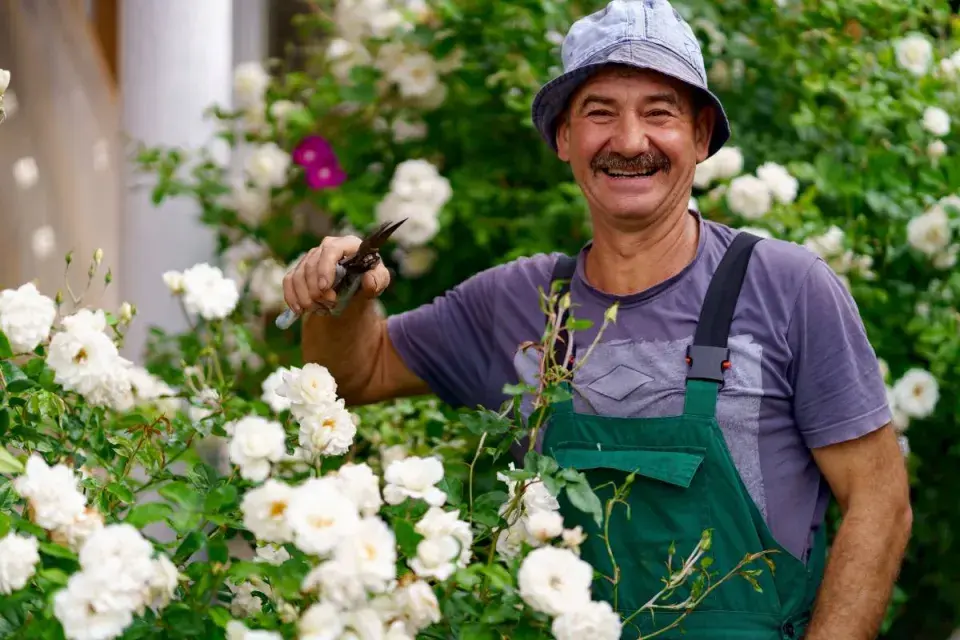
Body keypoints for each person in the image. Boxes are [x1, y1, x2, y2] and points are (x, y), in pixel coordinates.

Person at [282, 0, 912, 637]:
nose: (630, 141)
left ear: (700, 137)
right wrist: (346, 293)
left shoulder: (786, 287)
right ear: (564, 138)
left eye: (659, 113)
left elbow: (879, 502)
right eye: (600, 113)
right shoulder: (515, 301)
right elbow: (356, 375)